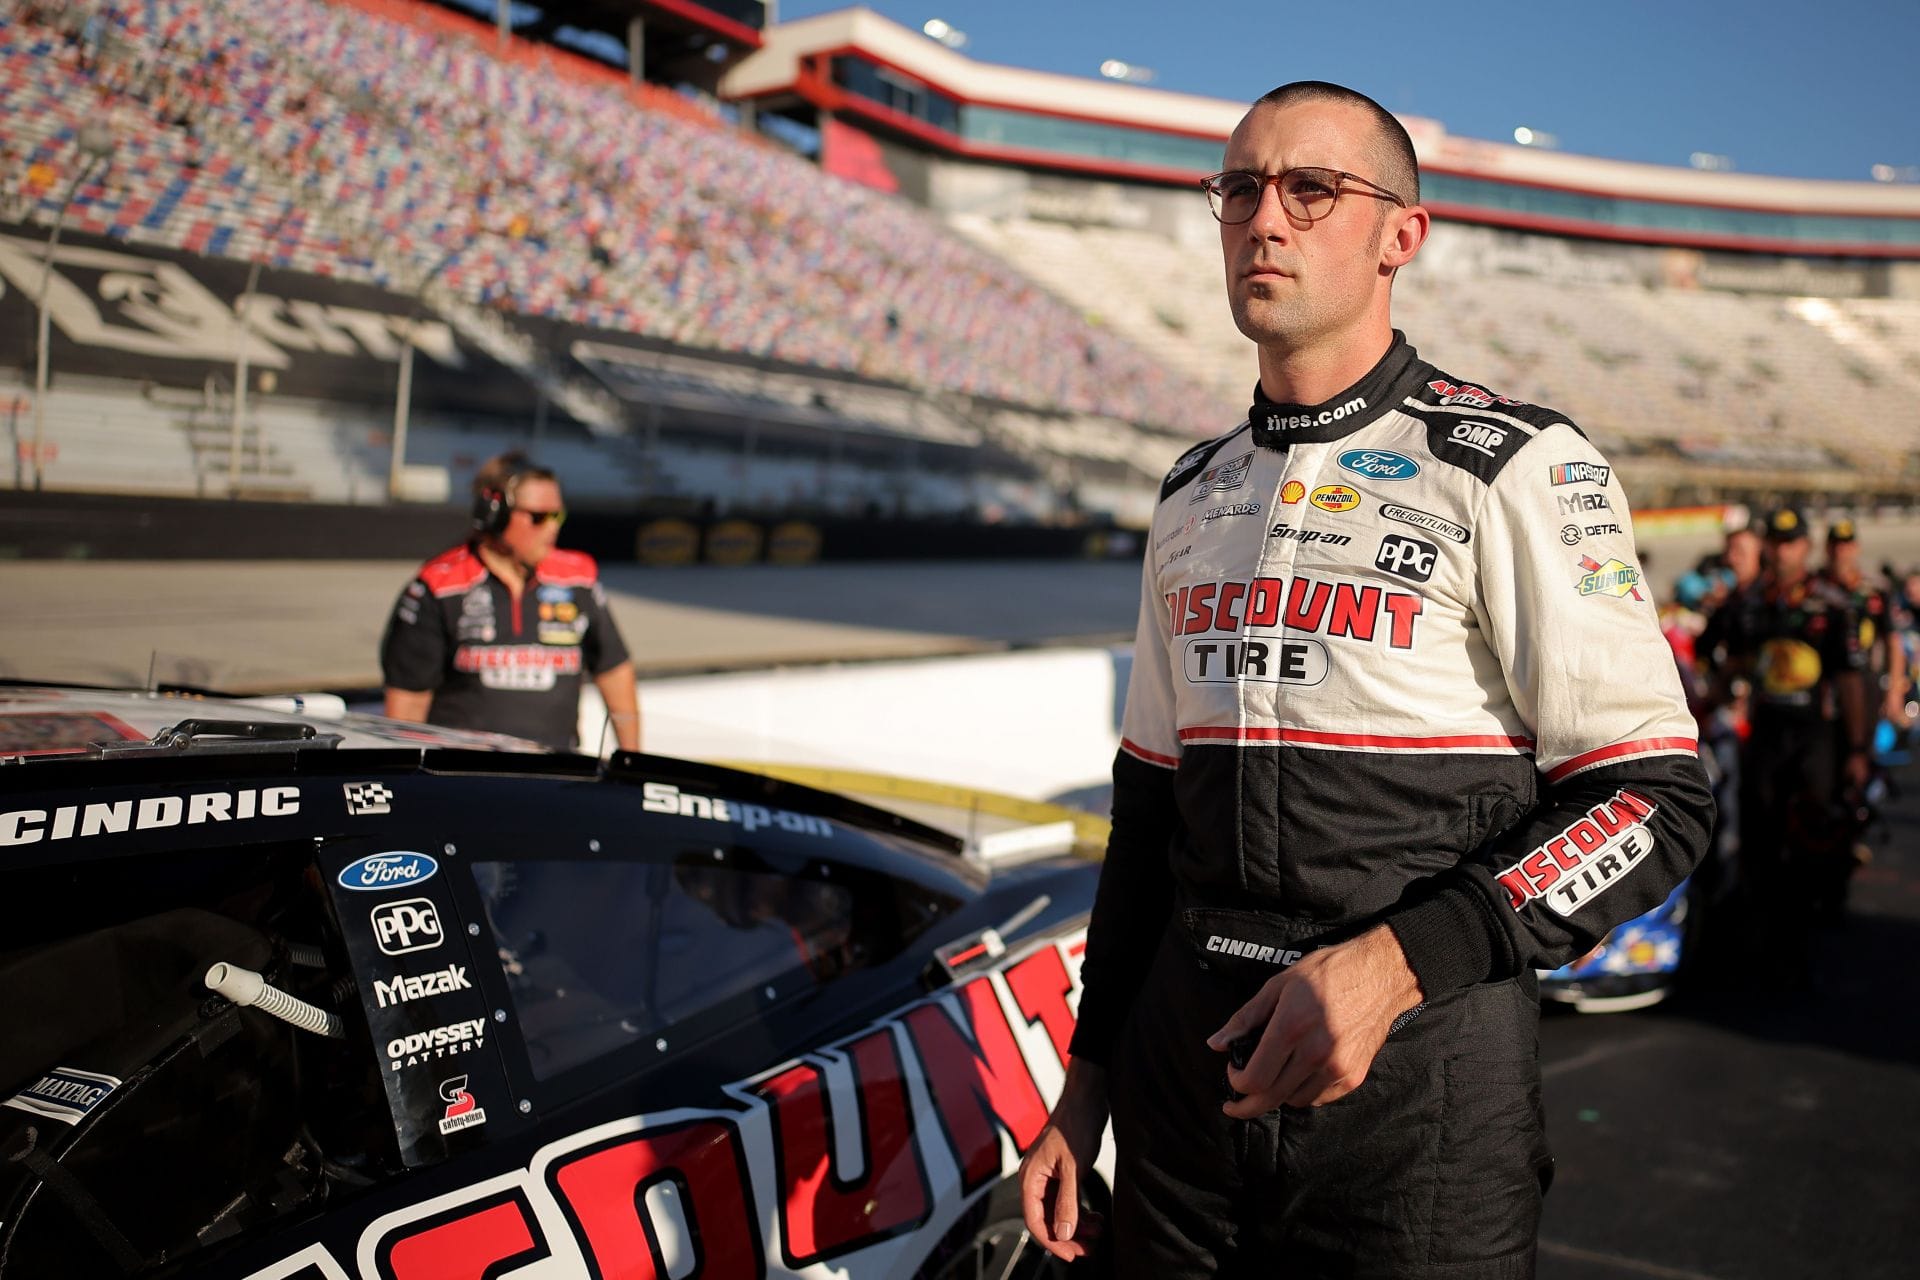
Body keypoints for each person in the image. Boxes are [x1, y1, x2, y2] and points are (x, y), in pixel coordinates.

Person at [1018, 81, 1712, 1278]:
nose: (1264, 220)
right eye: (1239, 189)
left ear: (1402, 235)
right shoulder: (1191, 491)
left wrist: (1398, 964)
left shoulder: (1519, 465)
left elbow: (1656, 799)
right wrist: (1084, 1088)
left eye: (1310, 189)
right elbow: (1146, 814)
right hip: (1184, 1100)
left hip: (1420, 1109)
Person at [380, 452, 640, 752]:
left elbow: (615, 672)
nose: (552, 528)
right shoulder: (438, 586)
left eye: (558, 516)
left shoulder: (579, 580)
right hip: (465, 778)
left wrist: (630, 761)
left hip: (558, 777)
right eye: (539, 517)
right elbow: (407, 704)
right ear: (494, 515)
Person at [1711, 506, 1871, 934]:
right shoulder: (1750, 603)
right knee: (1761, 823)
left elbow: (1851, 680)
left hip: (1816, 732)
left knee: (1817, 825)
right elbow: (1733, 659)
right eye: (1777, 543)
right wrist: (1715, 697)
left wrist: (1858, 749)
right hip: (1766, 730)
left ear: (1806, 546)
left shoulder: (1832, 604)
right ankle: (1761, 918)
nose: (1783, 552)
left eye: (1791, 543)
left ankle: (1817, 909)